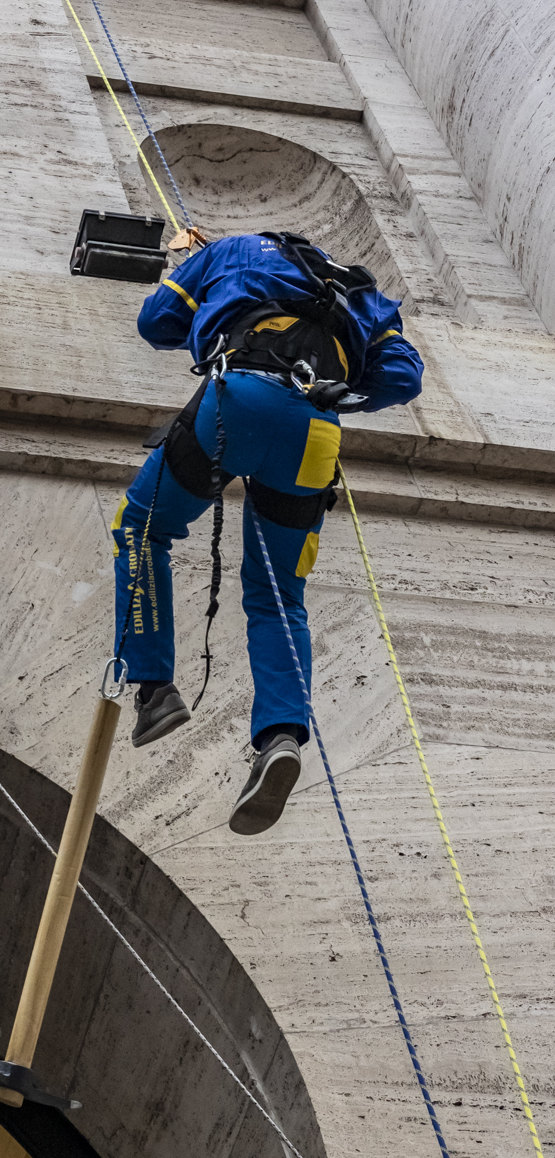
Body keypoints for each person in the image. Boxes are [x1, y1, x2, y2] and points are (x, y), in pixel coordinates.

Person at [113, 228, 424, 834]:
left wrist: (196, 290)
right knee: (280, 595)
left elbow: (157, 323)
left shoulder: (232, 249)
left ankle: (154, 688)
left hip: (241, 397)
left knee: (142, 528)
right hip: (316, 431)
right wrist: (339, 390)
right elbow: (403, 377)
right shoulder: (362, 293)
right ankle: (279, 737)